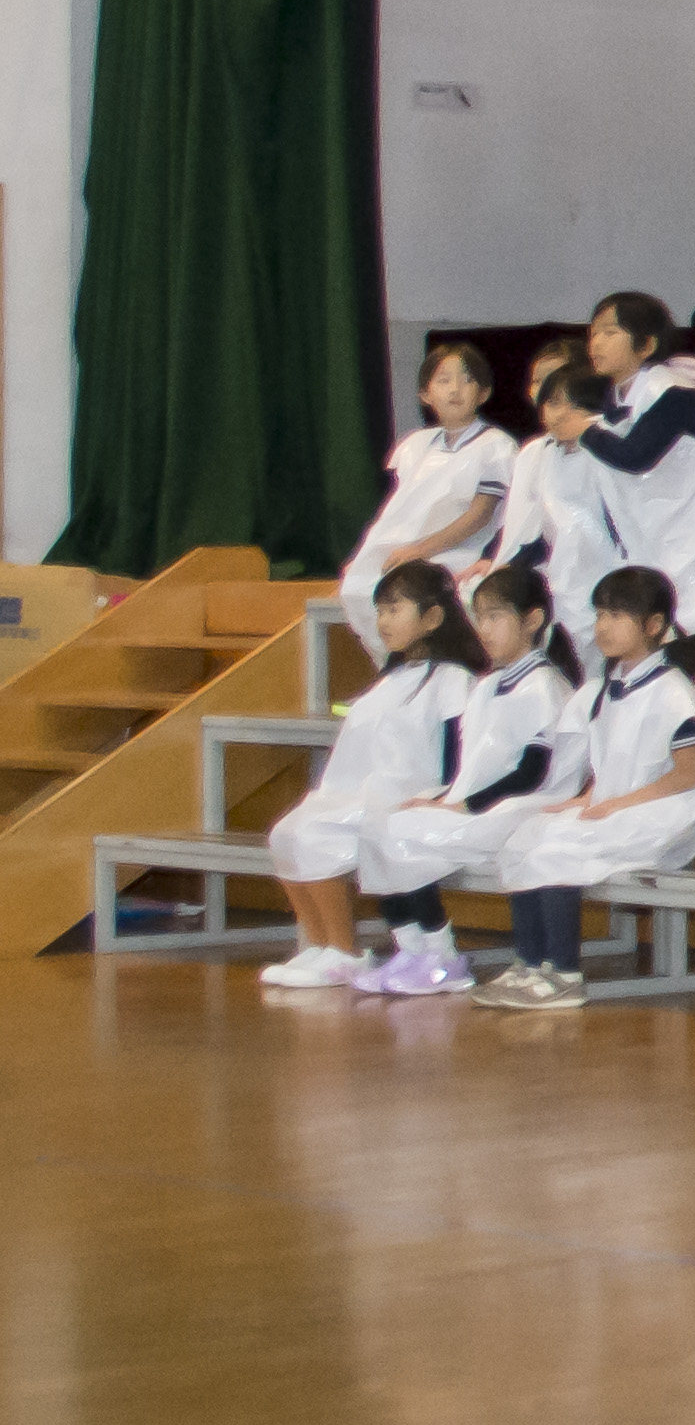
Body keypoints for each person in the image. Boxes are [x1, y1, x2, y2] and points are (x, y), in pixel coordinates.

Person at [471, 566, 695, 1013]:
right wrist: (585, 800)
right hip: (618, 806)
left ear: (654, 625)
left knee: (558, 851)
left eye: (617, 616)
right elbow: (610, 768)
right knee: (525, 837)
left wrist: (617, 804)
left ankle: (564, 974)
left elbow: (690, 775)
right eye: (600, 614)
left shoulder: (672, 693)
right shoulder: (607, 688)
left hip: (663, 813)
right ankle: (530, 963)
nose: (603, 626)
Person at [256, 563, 489, 989]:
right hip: (354, 791)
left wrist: (443, 797)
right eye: (380, 610)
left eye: (395, 609)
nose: (383, 621)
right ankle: (320, 944)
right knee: (285, 833)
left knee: (314, 835)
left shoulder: (452, 678)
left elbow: (457, 749)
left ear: (433, 617)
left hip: (406, 794)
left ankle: (345, 951)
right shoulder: (393, 676)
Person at [363, 561, 586, 999]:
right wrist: (443, 797)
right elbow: (474, 766)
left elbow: (531, 773)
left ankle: (443, 955)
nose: (484, 629)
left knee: (406, 837)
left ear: (533, 620)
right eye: (479, 617)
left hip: (526, 804)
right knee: (382, 825)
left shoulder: (543, 686)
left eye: (495, 617)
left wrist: (462, 806)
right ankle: (414, 950)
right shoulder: (488, 685)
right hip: (480, 802)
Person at [574, 295, 695, 654]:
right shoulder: (618, 396)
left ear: (646, 344)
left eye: (610, 332)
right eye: (593, 333)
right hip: (665, 536)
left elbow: (636, 457)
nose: (596, 343)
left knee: (667, 622)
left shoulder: (672, 391)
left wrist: (585, 432)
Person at [338, 344, 515, 657]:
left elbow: (479, 515)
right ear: (425, 394)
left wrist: (419, 551)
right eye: (444, 380)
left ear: (484, 392)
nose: (455, 389)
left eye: (467, 380)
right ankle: (400, 668)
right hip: (406, 553)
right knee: (358, 586)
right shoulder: (414, 446)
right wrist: (373, 555)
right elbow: (400, 512)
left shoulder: (495, 446)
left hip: (461, 554)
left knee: (441, 597)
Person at [480, 331, 608, 651]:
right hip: (548, 565)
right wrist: (502, 562)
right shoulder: (537, 452)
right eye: (543, 386)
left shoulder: (606, 448)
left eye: (568, 398)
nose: (558, 410)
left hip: (601, 568)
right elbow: (525, 526)